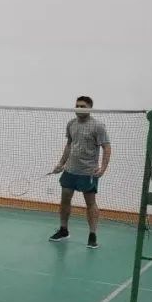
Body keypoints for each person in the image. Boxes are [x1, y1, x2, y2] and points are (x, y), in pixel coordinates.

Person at [49, 95, 111, 249]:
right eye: (77, 106)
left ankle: (92, 235)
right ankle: (64, 230)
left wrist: (103, 168)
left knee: (90, 203)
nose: (79, 108)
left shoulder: (98, 126)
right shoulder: (71, 124)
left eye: (83, 106)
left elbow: (106, 147)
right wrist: (61, 163)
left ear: (90, 108)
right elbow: (69, 145)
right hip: (70, 170)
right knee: (65, 200)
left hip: (88, 172)